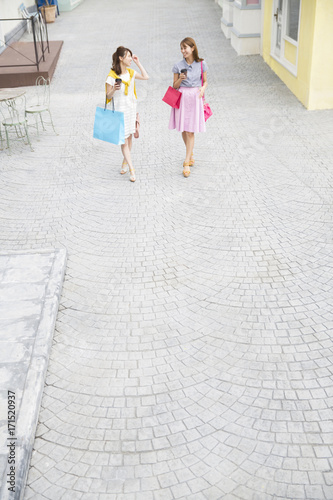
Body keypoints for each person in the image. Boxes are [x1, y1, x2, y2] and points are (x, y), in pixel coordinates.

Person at [106, 46, 149, 182]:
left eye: (131, 56)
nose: (130, 58)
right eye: (128, 56)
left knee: (129, 139)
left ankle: (125, 162)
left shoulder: (131, 73)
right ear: (121, 58)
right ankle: (132, 168)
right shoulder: (112, 76)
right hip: (119, 112)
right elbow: (107, 95)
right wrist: (114, 89)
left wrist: (138, 62)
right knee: (124, 141)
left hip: (131, 109)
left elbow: (145, 76)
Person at [169, 37, 208, 178]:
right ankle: (190, 152)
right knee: (184, 130)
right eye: (181, 48)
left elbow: (205, 81)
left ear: (192, 48)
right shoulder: (177, 65)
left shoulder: (202, 64)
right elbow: (174, 86)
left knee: (191, 131)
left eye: (185, 47)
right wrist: (180, 78)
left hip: (195, 97)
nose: (183, 50)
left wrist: (203, 89)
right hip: (182, 97)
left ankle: (186, 162)